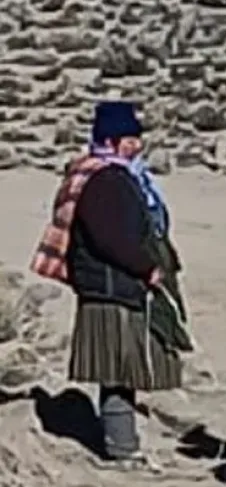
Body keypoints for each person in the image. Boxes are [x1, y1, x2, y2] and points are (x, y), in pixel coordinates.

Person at [30, 101, 191, 470]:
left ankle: (122, 442)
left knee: (120, 370)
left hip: (111, 285)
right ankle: (121, 449)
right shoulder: (105, 180)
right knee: (118, 369)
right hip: (111, 285)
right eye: (131, 138)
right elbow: (110, 237)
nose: (137, 145)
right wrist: (146, 267)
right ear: (114, 141)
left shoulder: (105, 175)